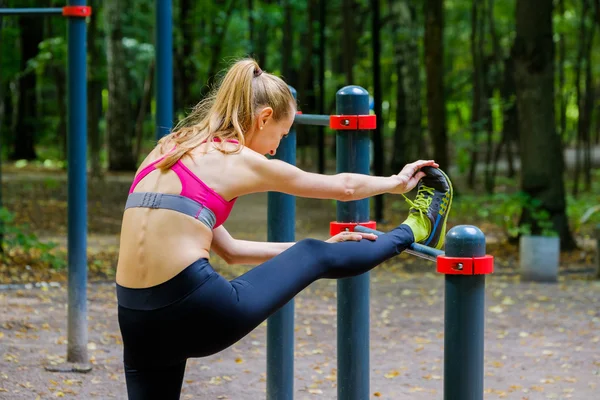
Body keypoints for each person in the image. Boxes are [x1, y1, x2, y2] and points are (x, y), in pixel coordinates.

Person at [116, 58, 453, 400]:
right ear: (263, 119)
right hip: (195, 308)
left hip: (135, 319)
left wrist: (321, 247)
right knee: (311, 253)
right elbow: (344, 187)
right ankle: (418, 227)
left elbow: (231, 252)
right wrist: (397, 182)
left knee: (310, 251)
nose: (276, 148)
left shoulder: (168, 149)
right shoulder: (236, 157)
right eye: (281, 134)